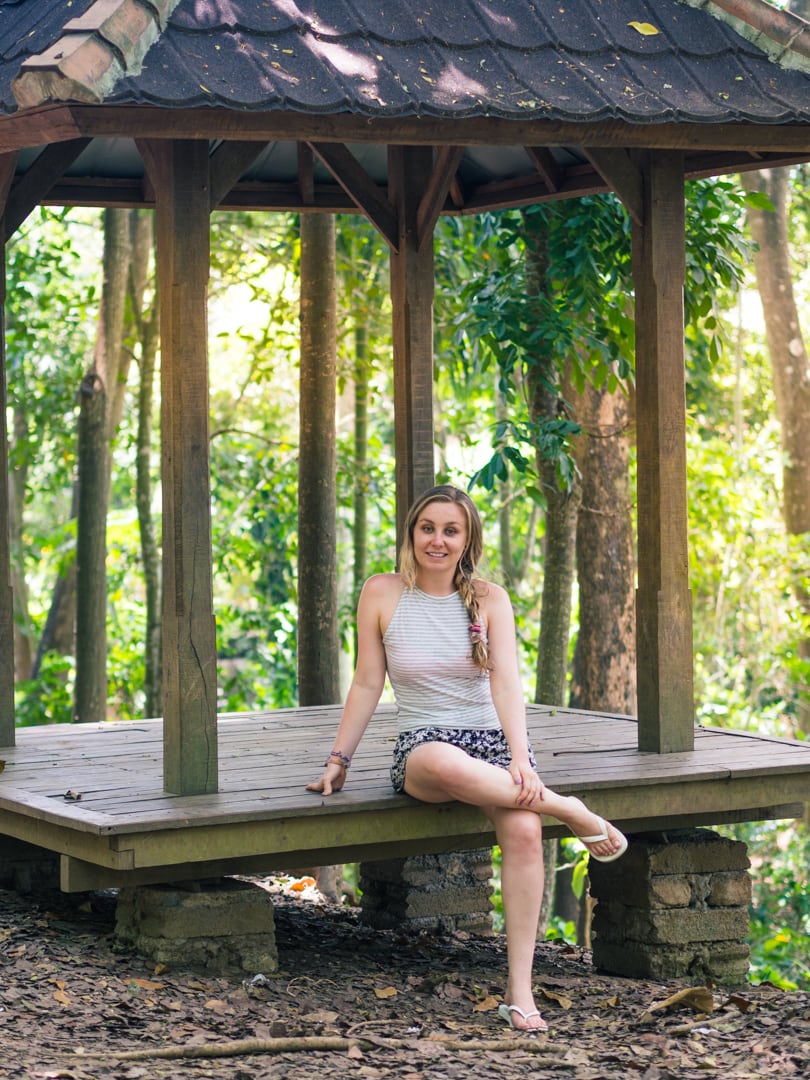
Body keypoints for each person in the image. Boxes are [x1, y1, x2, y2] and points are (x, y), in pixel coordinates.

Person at [307, 484, 627, 1032]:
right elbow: (366, 681)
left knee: (525, 831)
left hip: (490, 743)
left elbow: (506, 684)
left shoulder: (489, 598)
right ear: (412, 533)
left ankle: (519, 991)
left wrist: (521, 759)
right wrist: (340, 758)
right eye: (427, 528)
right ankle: (571, 809)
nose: (438, 540)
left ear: (467, 538)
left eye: (450, 530)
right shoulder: (381, 593)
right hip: (423, 745)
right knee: (442, 763)